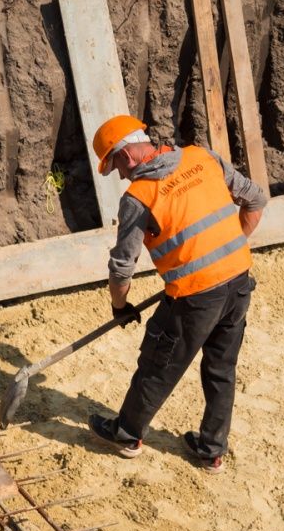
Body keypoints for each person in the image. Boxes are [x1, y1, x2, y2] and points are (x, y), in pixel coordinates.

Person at [87, 114, 266, 474]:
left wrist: (119, 307)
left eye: (116, 166)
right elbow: (256, 200)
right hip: (239, 282)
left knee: (159, 361)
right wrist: (226, 253)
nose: (120, 176)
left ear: (126, 155)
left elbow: (122, 267)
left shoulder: (138, 197)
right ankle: (212, 449)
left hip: (196, 298)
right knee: (221, 369)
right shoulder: (202, 158)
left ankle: (127, 432)